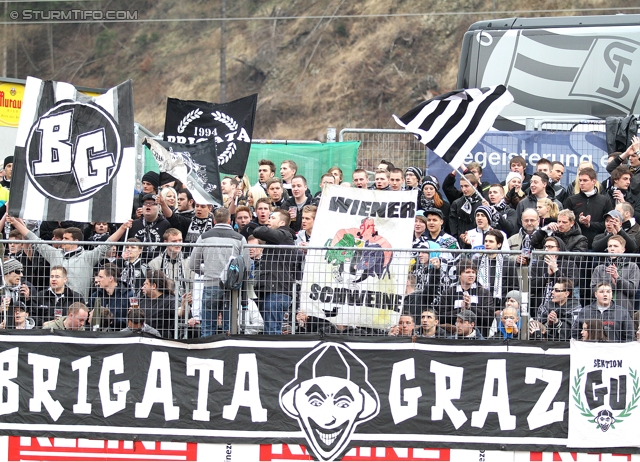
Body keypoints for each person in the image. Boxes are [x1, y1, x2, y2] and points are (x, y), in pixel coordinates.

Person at [8, 217, 129, 299]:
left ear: (76, 241)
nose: (62, 241)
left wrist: (123, 227)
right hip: (55, 304)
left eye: (66, 239)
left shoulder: (88, 257)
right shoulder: (54, 253)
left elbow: (107, 244)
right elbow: (34, 239)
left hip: (79, 306)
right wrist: (15, 223)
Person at [188, 207, 250, 337]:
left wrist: (207, 271)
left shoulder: (204, 237)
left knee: (208, 328)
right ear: (229, 220)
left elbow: (193, 264)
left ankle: (207, 354)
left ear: (214, 221)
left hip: (210, 284)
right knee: (230, 328)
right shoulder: (239, 239)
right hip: (231, 288)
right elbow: (246, 266)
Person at [253, 209, 302, 335]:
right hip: (273, 289)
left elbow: (259, 231)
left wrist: (264, 225)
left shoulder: (283, 234)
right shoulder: (281, 236)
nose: (269, 220)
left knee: (273, 331)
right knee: (272, 329)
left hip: (277, 290)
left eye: (273, 218)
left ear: (281, 223)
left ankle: (273, 354)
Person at [439, 259, 493, 337]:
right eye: (467, 272)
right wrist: (461, 310)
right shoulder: (448, 293)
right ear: (459, 275)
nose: (471, 275)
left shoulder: (484, 293)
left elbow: (489, 318)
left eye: (473, 272)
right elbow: (442, 318)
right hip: (452, 337)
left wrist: (470, 308)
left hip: (478, 336)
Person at [564, 167, 612, 247]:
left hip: (598, 246)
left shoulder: (605, 200)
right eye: (580, 180)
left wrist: (590, 224)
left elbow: (608, 224)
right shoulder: (571, 200)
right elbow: (565, 223)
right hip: (575, 246)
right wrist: (578, 221)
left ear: (594, 181)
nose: (582, 183)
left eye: (585, 180)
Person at [590, 235, 640, 313]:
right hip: (602, 311)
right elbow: (592, 291)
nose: (612, 248)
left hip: (624, 311)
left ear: (623, 249)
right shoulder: (599, 268)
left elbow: (632, 290)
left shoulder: (632, 266)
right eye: (610, 246)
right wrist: (606, 285)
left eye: (616, 246)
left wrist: (618, 278)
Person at [475, 230, 518, 307]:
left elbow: (514, 288)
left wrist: (503, 308)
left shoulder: (508, 263)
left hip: (500, 305)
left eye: (491, 241)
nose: (487, 244)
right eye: (486, 241)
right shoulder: (476, 262)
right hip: (480, 305)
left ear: (499, 244)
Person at [87, 263, 134, 329]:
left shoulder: (130, 295)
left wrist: (111, 320)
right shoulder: (96, 295)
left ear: (110, 278)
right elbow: (88, 316)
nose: (97, 280)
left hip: (120, 335)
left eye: (101, 277)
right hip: (98, 335)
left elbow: (134, 319)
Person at [127, 193, 171, 261]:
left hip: (158, 263)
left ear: (159, 207)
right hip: (136, 263)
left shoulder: (165, 224)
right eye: (145, 203)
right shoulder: (133, 224)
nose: (148, 205)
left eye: (152, 203)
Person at [139, 270, 176, 338]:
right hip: (143, 340)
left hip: (161, 340)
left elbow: (180, 311)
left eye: (146, 284)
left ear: (154, 286)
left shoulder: (169, 300)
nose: (142, 287)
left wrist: (184, 306)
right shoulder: (142, 300)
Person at [449, 173, 483, 244]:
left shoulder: (482, 203)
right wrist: (456, 239)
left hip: (478, 241)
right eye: (461, 186)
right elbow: (453, 224)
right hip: (461, 241)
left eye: (466, 186)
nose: (464, 189)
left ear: (475, 185)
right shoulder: (456, 203)